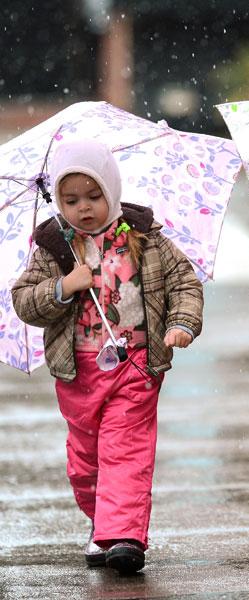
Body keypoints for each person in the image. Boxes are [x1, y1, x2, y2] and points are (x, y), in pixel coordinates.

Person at [11, 139, 203, 575]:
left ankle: (125, 536)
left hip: (133, 365)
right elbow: (25, 302)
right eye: (71, 199)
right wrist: (63, 287)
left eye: (94, 196)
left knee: (125, 451)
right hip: (78, 372)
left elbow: (184, 284)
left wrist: (182, 324)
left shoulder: (145, 240)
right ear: (58, 201)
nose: (84, 208)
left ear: (111, 192)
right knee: (85, 464)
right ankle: (103, 521)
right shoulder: (55, 249)